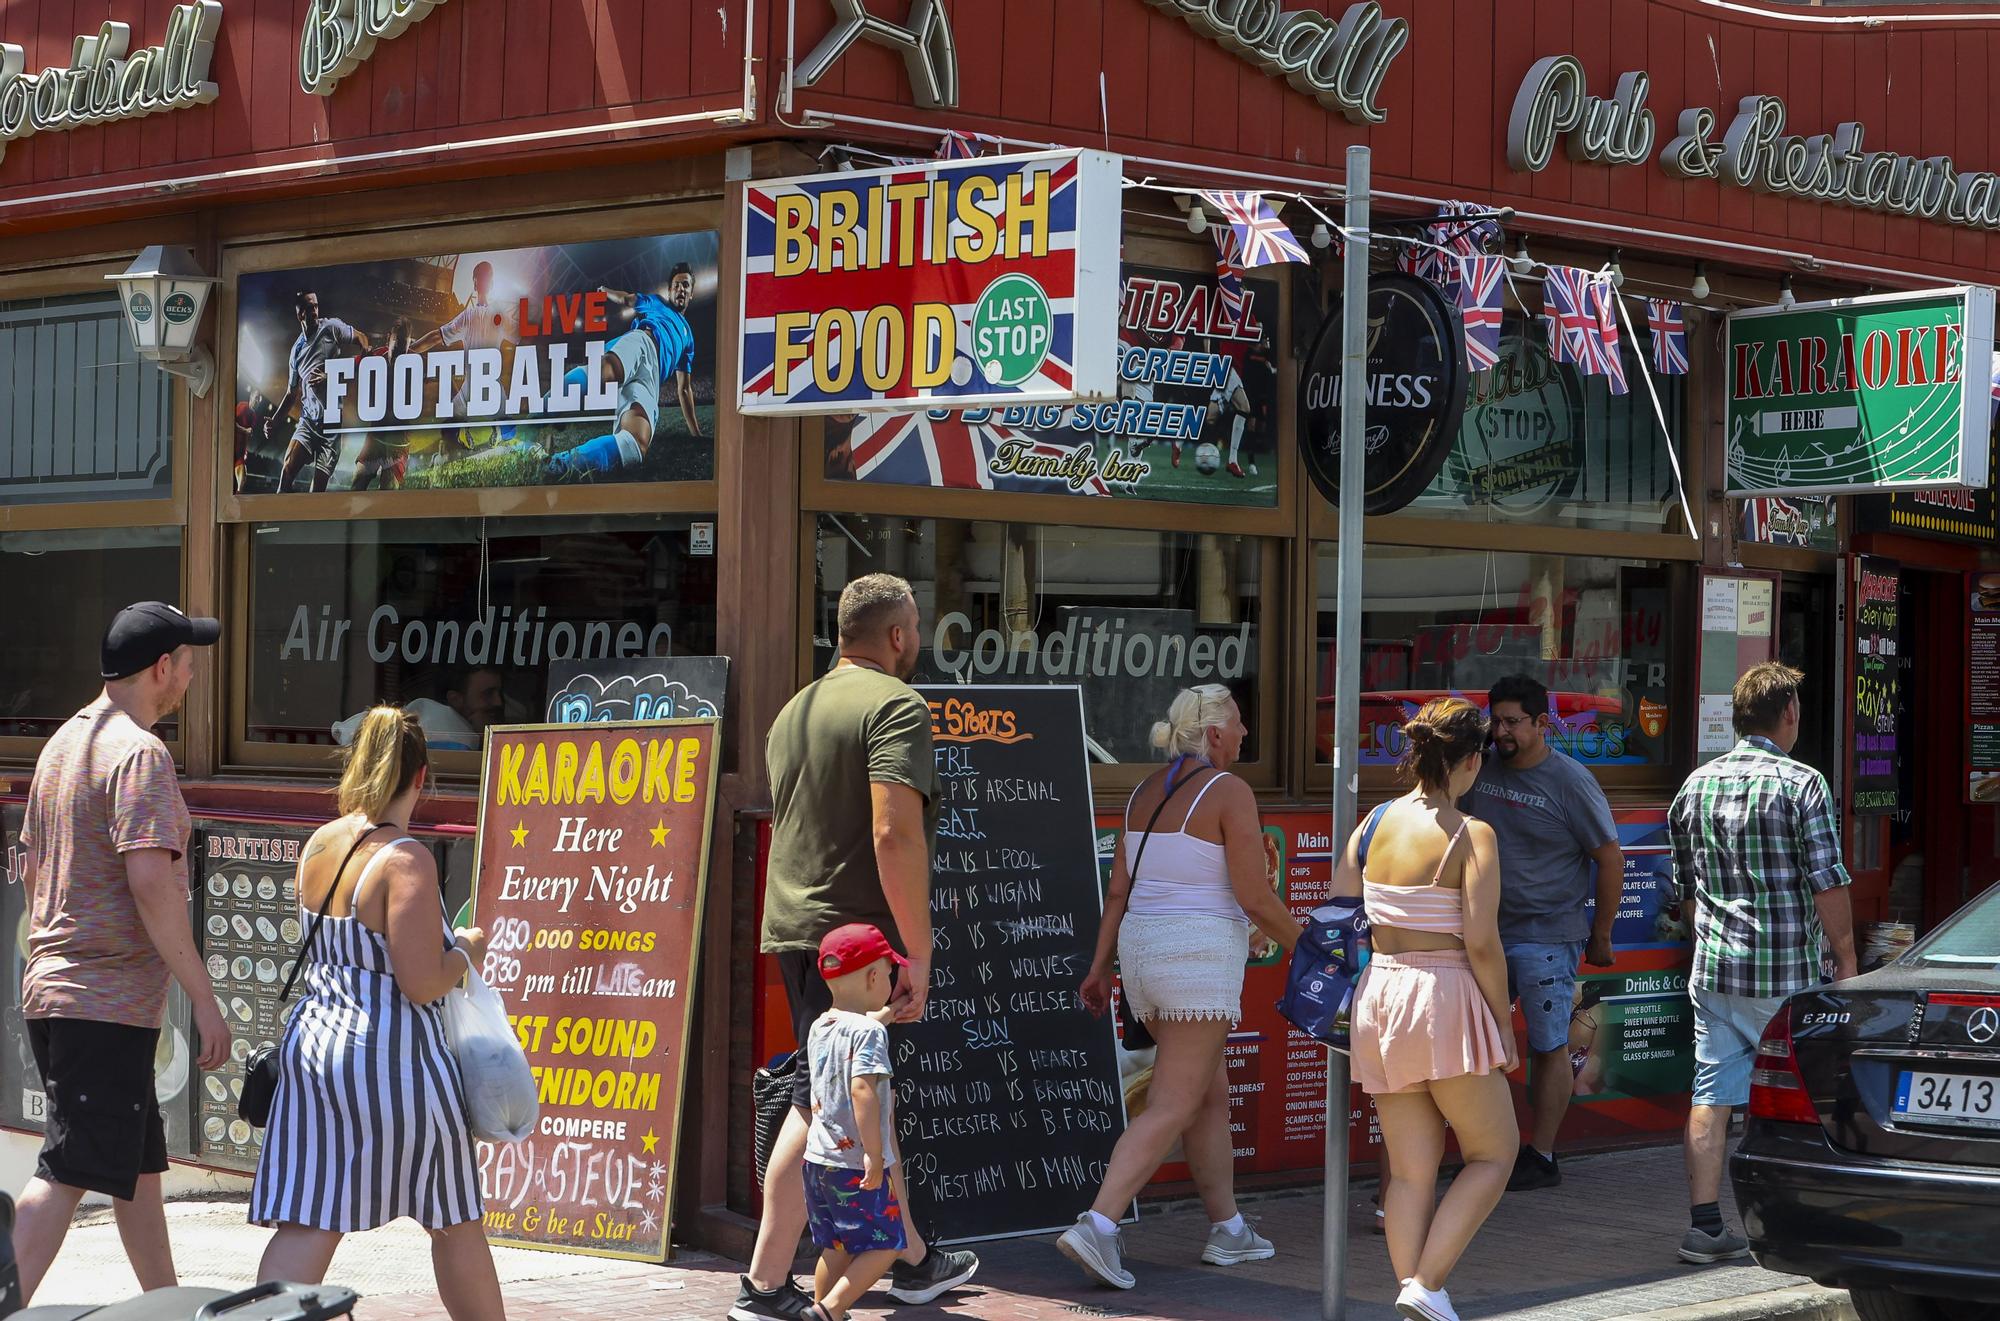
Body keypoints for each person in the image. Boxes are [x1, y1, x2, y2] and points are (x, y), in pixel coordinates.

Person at [734, 574, 977, 1321]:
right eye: (916, 631)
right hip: (859, 937)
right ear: (898, 635)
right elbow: (891, 831)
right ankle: (766, 1283)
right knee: (822, 1098)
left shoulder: (793, 711)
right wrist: (920, 949)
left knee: (853, 1095)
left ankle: (909, 1257)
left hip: (797, 926)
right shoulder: (896, 705)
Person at [249, 707, 502, 1321]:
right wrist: (465, 951)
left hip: (315, 1049)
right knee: (455, 1218)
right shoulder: (405, 858)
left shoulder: (321, 843)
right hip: (395, 1057)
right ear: (421, 777)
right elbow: (420, 984)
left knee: (311, 1218)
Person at [12, 602, 232, 1305]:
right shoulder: (140, 753)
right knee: (69, 1168)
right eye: (190, 662)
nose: (193, 675)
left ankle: (166, 1305)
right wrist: (202, 993)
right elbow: (149, 879)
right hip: (98, 1000)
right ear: (162, 667)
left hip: (62, 990)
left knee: (135, 1166)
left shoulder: (63, 744)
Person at [1058, 684, 1302, 1290]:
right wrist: (1311, 944)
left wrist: (1099, 966)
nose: (1246, 735)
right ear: (1215, 734)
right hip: (1195, 958)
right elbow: (1254, 897)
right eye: (1239, 724)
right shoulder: (1231, 792)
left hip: (1143, 953)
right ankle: (1100, 1223)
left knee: (1205, 1090)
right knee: (1173, 1100)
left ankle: (1229, 1229)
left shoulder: (1143, 791)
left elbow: (1118, 890)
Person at [1668, 662, 1855, 1265]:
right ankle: (1786, 1222)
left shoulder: (1694, 786)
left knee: (1711, 1094)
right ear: (1790, 714)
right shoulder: (1802, 784)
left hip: (1715, 970)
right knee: (1795, 1097)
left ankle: (1704, 1226)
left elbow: (1688, 888)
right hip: (1783, 977)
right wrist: (1848, 958)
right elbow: (1827, 882)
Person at [1339, 697, 1519, 1321]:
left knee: (1411, 1173)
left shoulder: (1373, 823)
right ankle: (1428, 1285)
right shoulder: (1473, 834)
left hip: (1380, 995)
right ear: (1471, 761)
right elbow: (1482, 943)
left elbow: (1340, 913)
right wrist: (1502, 1024)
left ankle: (1417, 1293)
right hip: (1445, 996)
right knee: (1495, 1153)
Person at [1462, 675, 1623, 1191]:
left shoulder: (1571, 781)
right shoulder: (1480, 767)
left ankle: (1543, 1155)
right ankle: (1486, 1151)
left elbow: (1610, 858)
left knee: (1549, 1045)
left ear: (1542, 724)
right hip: (1483, 932)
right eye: (1496, 721)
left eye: (1513, 722)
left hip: (1548, 935)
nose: (1502, 732)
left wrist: (1602, 935)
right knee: (1472, 1042)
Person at [801, 924, 909, 1321]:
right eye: (889, 972)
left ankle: (823, 1309)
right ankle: (831, 1310)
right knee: (887, 1244)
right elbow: (863, 1090)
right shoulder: (869, 1034)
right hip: (855, 1163)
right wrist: (876, 1156)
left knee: (836, 1246)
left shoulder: (820, 1026)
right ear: (873, 977)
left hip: (817, 1160)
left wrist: (884, 1017)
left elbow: (858, 1031)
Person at [544, 264, 703, 481]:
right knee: (606, 371)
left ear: (691, 293)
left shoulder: (689, 338)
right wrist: (606, 292)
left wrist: (696, 434)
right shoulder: (657, 302)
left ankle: (562, 463)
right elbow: (628, 299)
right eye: (677, 285)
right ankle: (537, 415)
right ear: (670, 290)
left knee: (635, 447)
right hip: (642, 342)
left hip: (652, 377)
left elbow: (684, 389)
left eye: (686, 285)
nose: (681, 289)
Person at [412, 260, 517, 461]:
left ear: (480, 284)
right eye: (483, 279)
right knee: (449, 428)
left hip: (489, 385)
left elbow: (524, 334)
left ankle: (491, 430)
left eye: (486, 279)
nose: (484, 284)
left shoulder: (497, 314)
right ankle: (468, 433)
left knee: (509, 430)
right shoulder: (470, 316)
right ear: (477, 283)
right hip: (474, 385)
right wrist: (410, 350)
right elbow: (437, 335)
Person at [268, 290, 370, 494]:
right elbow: (291, 393)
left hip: (331, 427)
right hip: (308, 421)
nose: (314, 311)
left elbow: (362, 338)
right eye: (309, 308)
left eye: (316, 306)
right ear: (300, 315)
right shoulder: (296, 351)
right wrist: (275, 420)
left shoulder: (331, 328)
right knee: (286, 472)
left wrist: (336, 374)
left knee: (316, 493)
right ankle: (276, 522)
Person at [350, 320, 414, 491]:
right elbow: (350, 367)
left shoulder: (414, 361)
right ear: (388, 339)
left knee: (388, 490)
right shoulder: (376, 357)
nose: (401, 351)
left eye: (404, 346)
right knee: (357, 484)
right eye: (397, 344)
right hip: (375, 438)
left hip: (397, 441)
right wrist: (328, 374)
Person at [444, 665, 505, 736]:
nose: (498, 702)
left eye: (500, 693)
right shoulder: (436, 737)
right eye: (488, 694)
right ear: (455, 700)